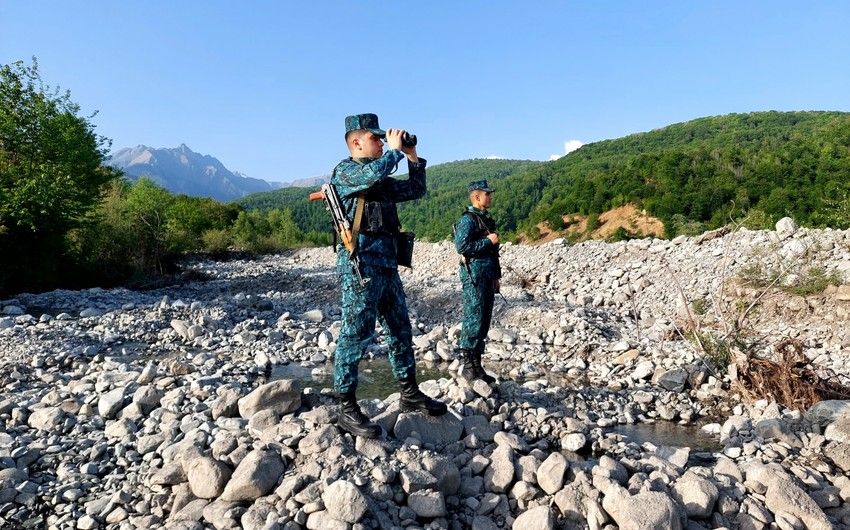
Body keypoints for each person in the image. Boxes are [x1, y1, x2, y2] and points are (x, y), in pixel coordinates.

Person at [330, 113, 447, 438]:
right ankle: (345, 405)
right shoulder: (347, 171)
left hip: (386, 265)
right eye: (376, 139)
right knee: (356, 333)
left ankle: (410, 393)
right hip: (361, 265)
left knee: (400, 330)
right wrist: (394, 151)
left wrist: (411, 155)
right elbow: (370, 175)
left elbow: (415, 189)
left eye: (384, 139)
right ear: (356, 142)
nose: (382, 143)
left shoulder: (379, 179)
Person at [454, 180, 501, 385]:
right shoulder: (468, 220)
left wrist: (496, 277)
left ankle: (477, 365)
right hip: (473, 275)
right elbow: (462, 246)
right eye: (487, 194)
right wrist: (487, 241)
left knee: (484, 319)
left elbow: (494, 253)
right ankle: (467, 365)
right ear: (476, 197)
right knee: (474, 316)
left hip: (487, 274)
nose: (490, 197)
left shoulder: (485, 219)